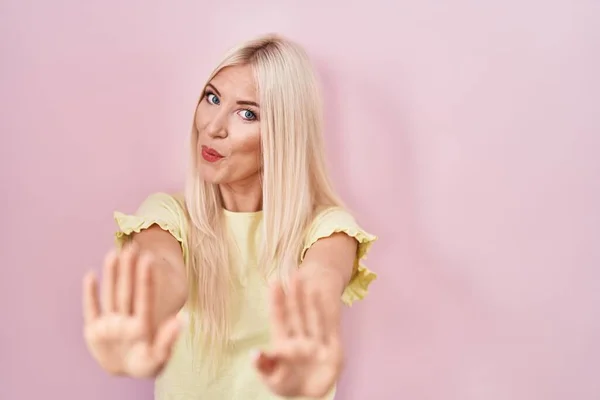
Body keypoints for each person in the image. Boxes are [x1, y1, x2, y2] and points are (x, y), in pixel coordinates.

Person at [81, 33, 377, 400]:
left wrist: (310, 334)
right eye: (212, 97)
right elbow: (163, 270)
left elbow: (322, 279)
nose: (212, 126)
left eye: (247, 113)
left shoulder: (325, 229)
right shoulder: (167, 216)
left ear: (281, 135)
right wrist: (142, 320)